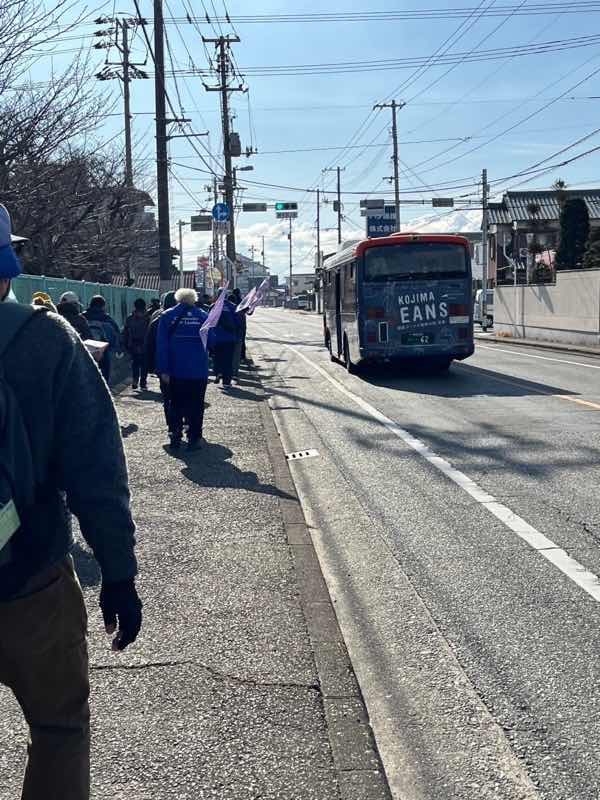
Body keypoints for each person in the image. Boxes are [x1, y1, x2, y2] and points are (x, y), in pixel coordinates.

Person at [0, 204, 142, 800]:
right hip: (31, 576)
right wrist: (118, 573)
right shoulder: (45, 338)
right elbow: (97, 472)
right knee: (59, 728)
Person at [156, 288, 211, 451]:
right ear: (193, 299)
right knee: (196, 405)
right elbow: (212, 341)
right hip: (198, 370)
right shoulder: (203, 316)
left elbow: (162, 346)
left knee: (175, 404)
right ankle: (194, 438)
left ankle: (175, 435)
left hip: (175, 370)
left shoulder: (167, 316)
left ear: (177, 299)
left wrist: (163, 369)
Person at [145, 291, 177, 431]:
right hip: (182, 364)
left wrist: (151, 366)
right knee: (183, 396)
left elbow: (149, 345)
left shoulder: (157, 320)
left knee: (167, 397)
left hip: (163, 365)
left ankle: (172, 426)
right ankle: (184, 422)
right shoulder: (186, 318)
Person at [83, 295, 120, 384]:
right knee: (104, 376)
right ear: (103, 306)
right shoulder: (107, 319)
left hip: (85, 351)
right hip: (103, 352)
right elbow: (115, 335)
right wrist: (116, 348)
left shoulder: (83, 317)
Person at [212, 289, 242, 388]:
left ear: (217, 295)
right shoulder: (233, 307)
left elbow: (208, 322)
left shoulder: (214, 306)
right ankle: (226, 381)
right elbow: (238, 323)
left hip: (216, 337)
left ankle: (218, 372)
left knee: (217, 358)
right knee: (228, 360)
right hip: (230, 338)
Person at [123, 298, 150, 390]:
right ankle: (143, 382)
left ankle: (135, 381)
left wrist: (125, 344)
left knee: (135, 363)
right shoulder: (148, 318)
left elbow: (125, 331)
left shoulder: (130, 318)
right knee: (144, 364)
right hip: (145, 344)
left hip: (133, 343)